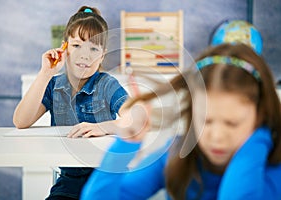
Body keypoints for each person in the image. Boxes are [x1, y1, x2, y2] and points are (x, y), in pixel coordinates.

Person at [80, 43, 281, 200]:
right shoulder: (177, 155)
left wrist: (261, 137)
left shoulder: (273, 169)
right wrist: (125, 144)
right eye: (206, 121)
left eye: (232, 123)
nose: (217, 136)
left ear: (260, 116)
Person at [13, 5, 128, 200]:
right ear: (64, 47)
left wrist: (105, 126)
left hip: (106, 179)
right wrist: (45, 73)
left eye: (93, 48)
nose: (85, 55)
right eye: (76, 46)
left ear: (102, 54)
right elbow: (20, 121)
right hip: (68, 184)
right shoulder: (54, 85)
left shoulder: (107, 84)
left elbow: (139, 116)